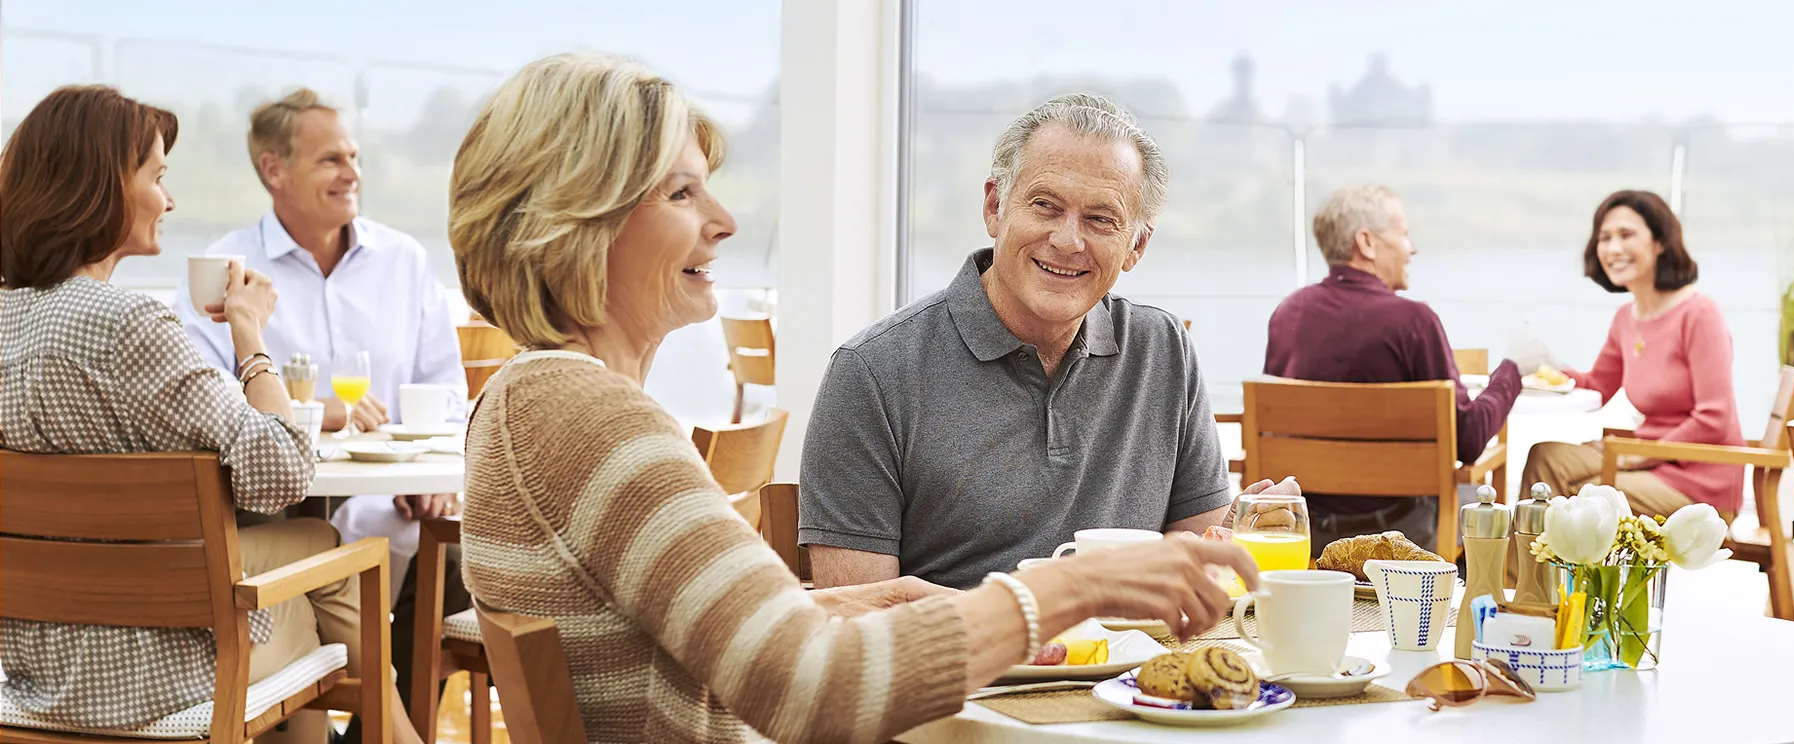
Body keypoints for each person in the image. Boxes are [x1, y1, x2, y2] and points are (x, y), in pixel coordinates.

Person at [448, 53, 1260, 743]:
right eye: (681, 194)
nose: (725, 221)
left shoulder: (548, 404)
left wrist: (857, 602)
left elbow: (736, 636)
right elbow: (809, 689)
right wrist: (1075, 587)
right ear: (576, 220)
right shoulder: (581, 416)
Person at [0, 85, 423, 744]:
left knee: (309, 556)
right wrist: (250, 337)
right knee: (333, 562)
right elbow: (281, 471)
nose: (170, 200)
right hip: (149, 677)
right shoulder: (129, 325)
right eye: (157, 177)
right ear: (103, 187)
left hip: (30, 673)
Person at [797, 93, 1238, 590]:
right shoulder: (871, 374)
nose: (1068, 241)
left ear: (1136, 245)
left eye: (1100, 219)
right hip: (961, 666)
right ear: (994, 206)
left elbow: (1200, 567)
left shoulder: (1165, 350)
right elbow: (859, 623)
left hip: (1133, 665)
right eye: (1045, 206)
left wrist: (1245, 528)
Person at [169, 89, 469, 739]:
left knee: (454, 557)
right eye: (331, 158)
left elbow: (445, 388)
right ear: (274, 169)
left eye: (354, 156)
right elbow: (201, 405)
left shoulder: (404, 263)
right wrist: (318, 412)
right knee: (302, 552)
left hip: (387, 500)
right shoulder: (224, 272)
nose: (352, 171)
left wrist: (436, 470)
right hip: (263, 505)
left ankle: (374, 735)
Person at [1263, 185, 1526, 552]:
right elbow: (1469, 441)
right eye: (1403, 233)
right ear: (1366, 242)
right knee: (1476, 494)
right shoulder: (1413, 321)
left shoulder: (1287, 313)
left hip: (1309, 529)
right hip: (1400, 534)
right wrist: (1512, 370)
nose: (1411, 247)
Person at [1513, 190, 1743, 521]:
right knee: (1545, 457)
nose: (1613, 248)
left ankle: (1528, 574)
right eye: (1605, 238)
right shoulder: (1626, 318)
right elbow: (1597, 385)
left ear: (1660, 242)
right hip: (1645, 456)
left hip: (1698, 482)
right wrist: (1542, 365)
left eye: (1626, 235)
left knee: (1580, 497)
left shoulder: (1699, 314)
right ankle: (1521, 576)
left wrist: (1636, 457)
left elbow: (1714, 418)